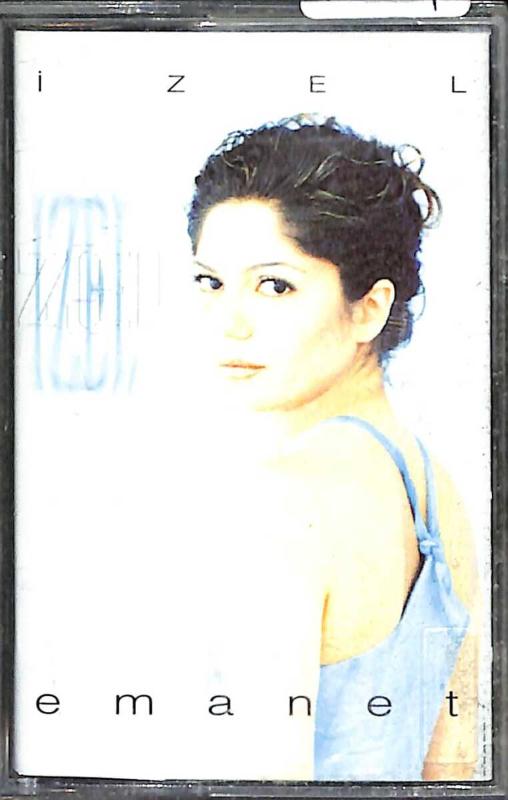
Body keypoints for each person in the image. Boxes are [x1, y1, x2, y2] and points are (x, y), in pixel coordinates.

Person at [183, 113, 480, 781]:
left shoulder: (285, 498)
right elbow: (452, 772)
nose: (230, 323)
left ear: (369, 308)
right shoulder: (435, 491)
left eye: (275, 285)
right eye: (211, 282)